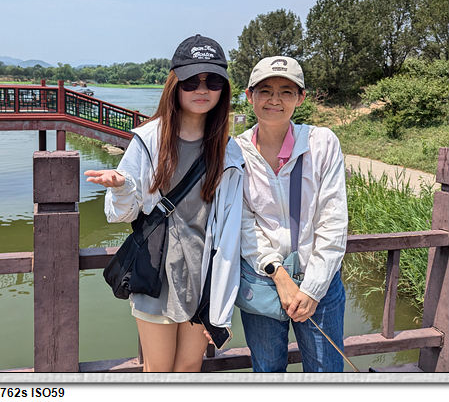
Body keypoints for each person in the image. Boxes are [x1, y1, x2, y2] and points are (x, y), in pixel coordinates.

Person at [85, 34, 244, 372]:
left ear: (224, 89)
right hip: (156, 270)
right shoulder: (149, 140)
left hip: (204, 275)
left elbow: (232, 224)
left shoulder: (229, 150)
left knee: (189, 368)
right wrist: (121, 187)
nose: (202, 89)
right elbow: (119, 214)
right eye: (192, 81)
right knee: (157, 371)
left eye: (213, 81)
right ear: (175, 85)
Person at [235, 56, 348, 372]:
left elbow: (333, 219)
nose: (275, 100)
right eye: (265, 91)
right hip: (262, 279)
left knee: (326, 373)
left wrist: (312, 288)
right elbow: (244, 222)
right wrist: (278, 274)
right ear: (249, 96)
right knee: (267, 370)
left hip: (320, 282)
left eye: (286, 91)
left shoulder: (321, 143)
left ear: (301, 98)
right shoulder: (235, 151)